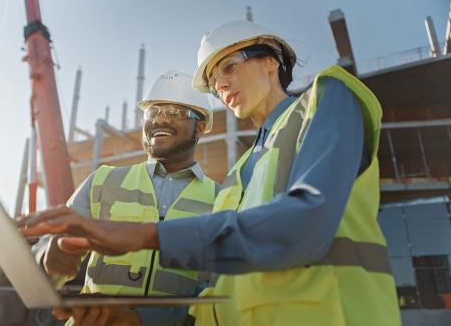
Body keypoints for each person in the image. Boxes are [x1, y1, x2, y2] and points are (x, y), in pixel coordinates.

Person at [21, 21, 401, 326]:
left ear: (271, 60)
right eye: (216, 82)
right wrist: (134, 317)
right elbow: (215, 294)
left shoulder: (326, 99)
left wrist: (139, 234)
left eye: (230, 67)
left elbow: (304, 226)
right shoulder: (237, 178)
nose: (222, 84)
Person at [30, 70, 219, 326]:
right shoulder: (103, 181)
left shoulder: (222, 199)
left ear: (199, 127)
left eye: (175, 113)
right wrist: (49, 258)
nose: (160, 120)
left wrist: (144, 319)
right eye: (152, 112)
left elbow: (218, 293)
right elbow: (46, 252)